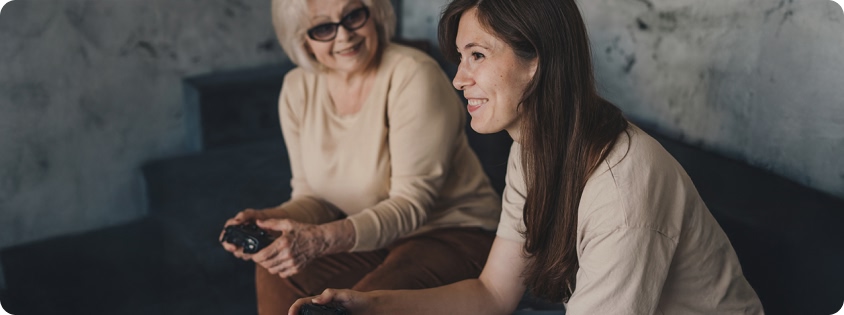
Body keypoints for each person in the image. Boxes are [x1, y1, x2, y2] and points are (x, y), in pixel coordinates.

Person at [289, 0, 766, 314]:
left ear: (537, 60)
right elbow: (493, 294)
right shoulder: (534, 148)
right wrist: (369, 304)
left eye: (477, 55)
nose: (458, 79)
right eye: (460, 58)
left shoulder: (622, 189)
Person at [219, 0, 503, 313]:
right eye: (324, 28)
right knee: (277, 269)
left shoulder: (413, 74)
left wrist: (321, 240)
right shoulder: (297, 87)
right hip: (370, 238)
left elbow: (412, 207)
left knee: (360, 305)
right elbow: (315, 198)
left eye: (353, 16)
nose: (344, 36)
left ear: (374, 12)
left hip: (451, 234)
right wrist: (269, 220)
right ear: (302, 38)